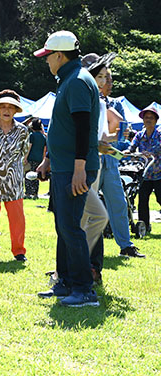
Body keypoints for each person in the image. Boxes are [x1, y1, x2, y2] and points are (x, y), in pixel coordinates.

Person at [34, 31, 101, 307]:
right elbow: (64, 128)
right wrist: (49, 159)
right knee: (64, 226)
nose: (46, 61)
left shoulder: (75, 82)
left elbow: (83, 127)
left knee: (71, 227)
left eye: (48, 56)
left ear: (60, 55)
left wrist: (79, 168)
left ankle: (84, 289)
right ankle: (65, 283)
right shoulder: (69, 79)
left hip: (75, 168)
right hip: (64, 166)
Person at [83, 52, 145, 258]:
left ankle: (125, 245)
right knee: (87, 210)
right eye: (102, 76)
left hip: (109, 161)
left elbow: (120, 136)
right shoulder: (84, 96)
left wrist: (121, 139)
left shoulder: (115, 104)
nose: (106, 81)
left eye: (108, 78)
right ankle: (84, 251)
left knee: (118, 202)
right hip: (91, 159)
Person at [0, 90, 30, 262]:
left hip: (14, 180)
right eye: (3, 106)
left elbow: (24, 153)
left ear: (16, 110)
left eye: (11, 107)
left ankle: (19, 251)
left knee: (17, 219)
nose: (7, 110)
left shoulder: (23, 131)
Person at [128, 106, 161, 235]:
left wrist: (149, 152)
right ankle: (144, 226)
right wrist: (128, 152)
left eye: (151, 118)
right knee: (142, 201)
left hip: (158, 173)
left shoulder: (159, 135)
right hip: (145, 173)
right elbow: (132, 147)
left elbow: (158, 147)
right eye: (146, 118)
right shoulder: (139, 135)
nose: (148, 120)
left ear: (155, 120)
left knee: (160, 199)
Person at [24, 117, 47, 199]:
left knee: (28, 176)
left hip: (31, 158)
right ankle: (35, 194)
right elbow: (45, 150)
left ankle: (28, 193)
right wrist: (44, 160)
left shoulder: (32, 136)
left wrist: (25, 157)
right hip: (39, 159)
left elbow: (29, 147)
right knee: (36, 176)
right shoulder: (43, 137)